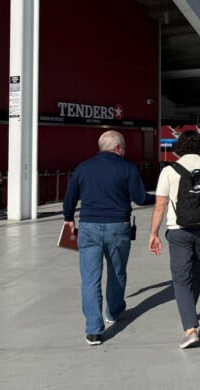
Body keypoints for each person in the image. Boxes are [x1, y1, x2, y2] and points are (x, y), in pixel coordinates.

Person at [62, 130, 155, 346]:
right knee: (117, 272)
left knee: (90, 278)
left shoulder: (82, 168)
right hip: (118, 227)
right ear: (118, 148)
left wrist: (68, 218)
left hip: (88, 227)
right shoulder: (127, 168)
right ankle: (113, 311)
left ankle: (93, 331)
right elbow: (140, 198)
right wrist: (160, 197)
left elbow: (70, 198)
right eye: (124, 148)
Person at [148, 130, 200, 349]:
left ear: (179, 148)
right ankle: (189, 312)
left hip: (178, 231)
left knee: (180, 278)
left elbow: (159, 207)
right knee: (196, 274)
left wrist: (154, 234)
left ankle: (190, 329)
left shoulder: (169, 171)